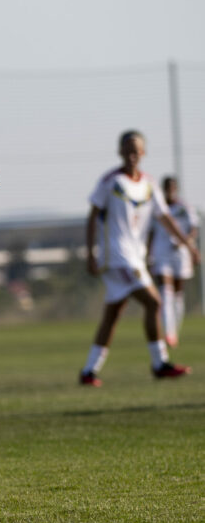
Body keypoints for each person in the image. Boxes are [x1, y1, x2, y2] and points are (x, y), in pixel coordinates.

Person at [79, 131, 200, 387]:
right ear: (120, 152)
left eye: (137, 150)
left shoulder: (149, 184)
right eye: (127, 150)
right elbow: (92, 216)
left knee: (113, 315)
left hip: (135, 259)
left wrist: (189, 245)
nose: (132, 155)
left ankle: (89, 371)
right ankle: (160, 364)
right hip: (117, 258)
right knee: (154, 302)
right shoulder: (111, 181)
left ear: (143, 153)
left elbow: (165, 217)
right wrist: (90, 253)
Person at [148, 176, 199, 347]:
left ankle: (174, 329)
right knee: (165, 292)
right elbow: (150, 232)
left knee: (178, 294)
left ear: (176, 189)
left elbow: (193, 229)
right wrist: (148, 255)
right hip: (161, 253)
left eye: (172, 187)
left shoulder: (184, 208)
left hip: (180, 253)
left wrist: (189, 246)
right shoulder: (157, 209)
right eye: (167, 187)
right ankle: (168, 333)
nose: (170, 190)